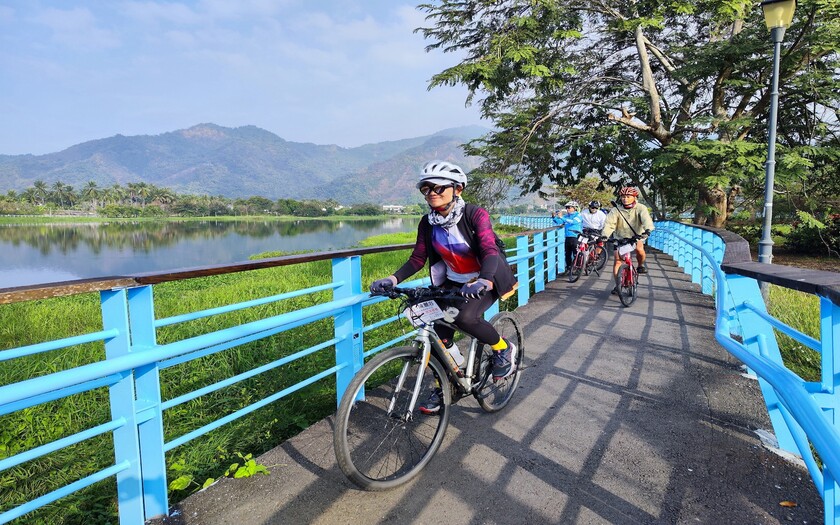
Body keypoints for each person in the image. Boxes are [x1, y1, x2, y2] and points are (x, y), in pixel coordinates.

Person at [370, 160, 518, 414]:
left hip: (485, 278)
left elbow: (489, 250)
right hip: (452, 283)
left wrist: (483, 279)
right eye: (426, 189)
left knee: (466, 317)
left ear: (457, 189)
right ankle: (449, 381)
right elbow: (418, 258)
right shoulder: (427, 223)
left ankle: (503, 348)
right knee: (438, 331)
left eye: (438, 188)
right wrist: (393, 280)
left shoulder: (475, 214)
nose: (432, 194)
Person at [600, 187, 655, 294]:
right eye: (623, 197)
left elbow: (646, 220)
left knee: (639, 249)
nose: (625, 199)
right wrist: (605, 235)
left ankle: (640, 265)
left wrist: (648, 230)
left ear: (634, 197)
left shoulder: (641, 208)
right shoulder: (616, 210)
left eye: (628, 197)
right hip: (620, 237)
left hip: (636, 236)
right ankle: (618, 285)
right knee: (618, 261)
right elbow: (609, 224)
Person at [551, 201, 583, 275]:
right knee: (567, 254)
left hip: (576, 237)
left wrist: (562, 217)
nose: (567, 209)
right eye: (566, 208)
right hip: (568, 237)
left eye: (569, 207)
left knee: (576, 253)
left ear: (574, 208)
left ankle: (578, 268)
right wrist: (554, 217)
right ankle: (569, 268)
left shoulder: (578, 215)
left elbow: (573, 222)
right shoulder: (566, 216)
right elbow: (559, 221)